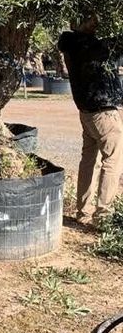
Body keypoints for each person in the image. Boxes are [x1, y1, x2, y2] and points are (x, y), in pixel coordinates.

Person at [58, 14, 123, 227]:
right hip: (104, 112)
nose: (96, 21)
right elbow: (115, 45)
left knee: (89, 161)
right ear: (80, 23)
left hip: (87, 112)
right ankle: (103, 217)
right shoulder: (91, 48)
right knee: (112, 162)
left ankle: (83, 211)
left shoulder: (71, 45)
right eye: (90, 18)